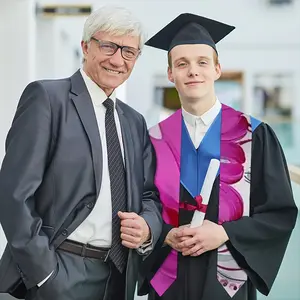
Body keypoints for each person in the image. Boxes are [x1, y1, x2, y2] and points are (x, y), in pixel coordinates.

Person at [0, 5, 162, 300]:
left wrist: (148, 227)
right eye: (108, 46)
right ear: (86, 46)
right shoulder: (48, 100)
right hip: (59, 271)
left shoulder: (134, 122)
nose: (117, 60)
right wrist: (44, 274)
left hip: (117, 276)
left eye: (128, 52)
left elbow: (149, 195)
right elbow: (14, 195)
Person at [138, 13, 298, 300]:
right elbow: (140, 205)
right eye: (182, 64)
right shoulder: (152, 139)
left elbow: (279, 212)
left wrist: (226, 234)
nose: (193, 71)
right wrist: (163, 235)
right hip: (169, 281)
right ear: (171, 74)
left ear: (217, 69)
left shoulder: (255, 136)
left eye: (202, 62)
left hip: (227, 284)